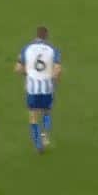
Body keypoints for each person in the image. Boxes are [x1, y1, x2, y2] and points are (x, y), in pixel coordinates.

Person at [14, 25, 62, 154]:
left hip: (32, 89)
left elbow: (18, 69)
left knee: (33, 116)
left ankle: (37, 144)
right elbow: (57, 70)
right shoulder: (53, 50)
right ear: (47, 36)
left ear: (36, 36)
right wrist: (56, 81)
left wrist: (29, 73)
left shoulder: (26, 48)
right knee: (46, 112)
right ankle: (44, 135)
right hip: (47, 88)